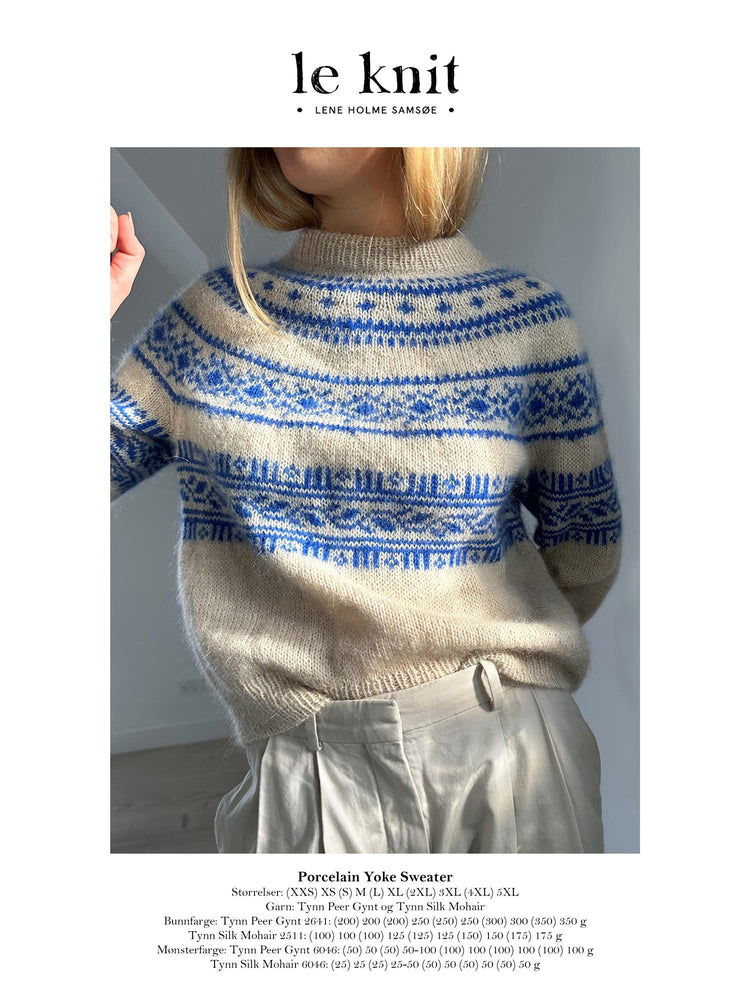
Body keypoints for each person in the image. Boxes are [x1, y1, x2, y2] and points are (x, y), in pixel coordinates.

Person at [110, 147, 623, 854]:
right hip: (305, 770)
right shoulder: (214, 319)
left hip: (508, 754)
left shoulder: (526, 323)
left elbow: (586, 543)